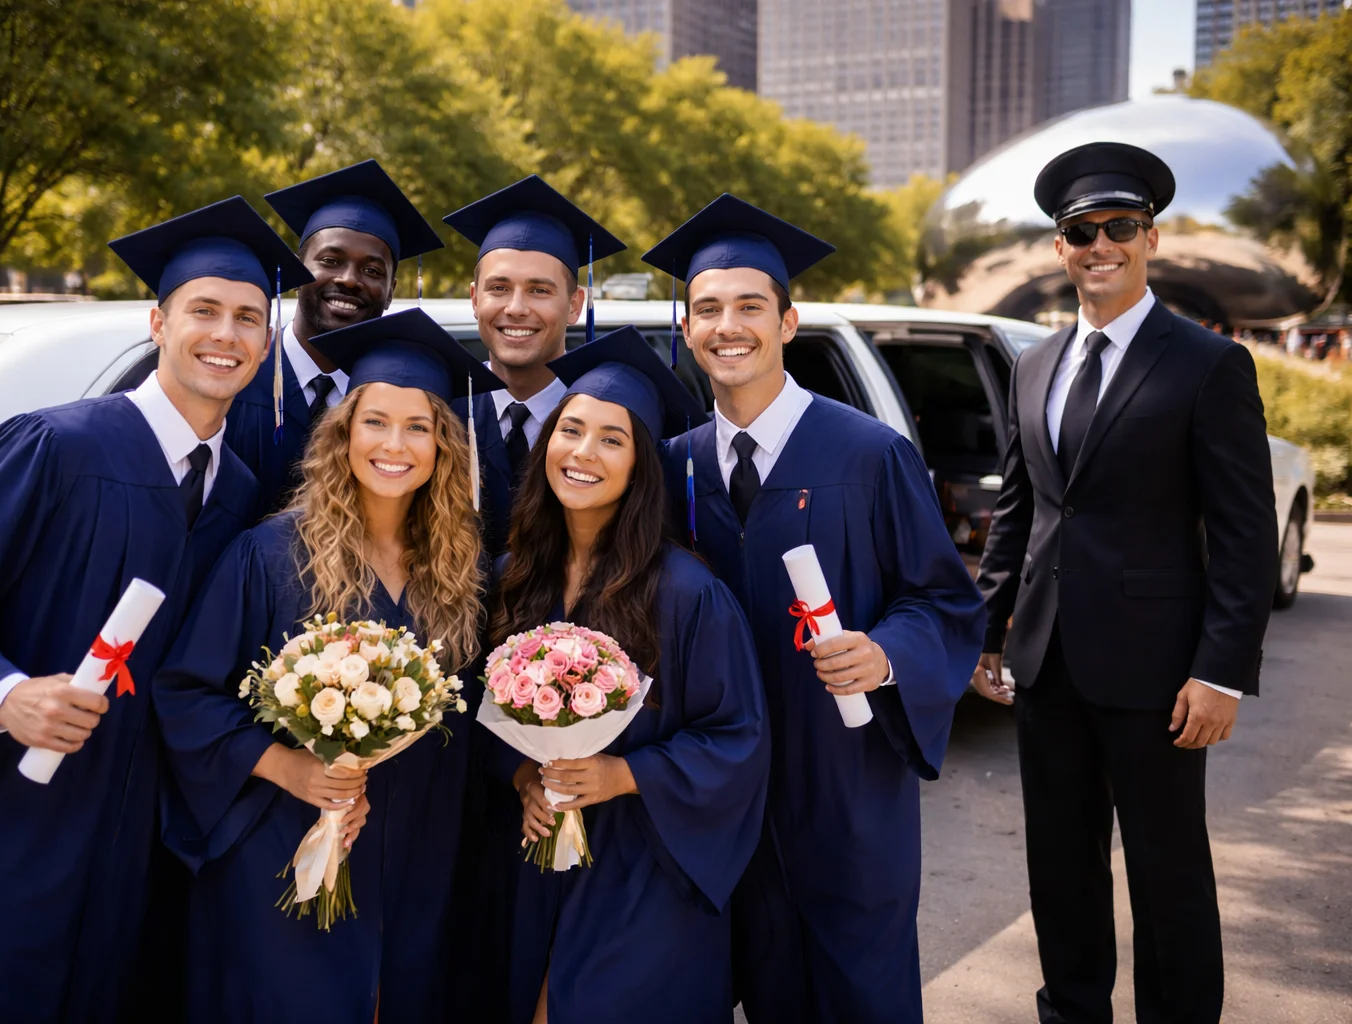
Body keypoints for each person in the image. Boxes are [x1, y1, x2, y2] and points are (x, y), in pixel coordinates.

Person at [0, 197, 309, 1022]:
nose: (227, 335)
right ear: (157, 322)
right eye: (203, 311)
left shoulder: (237, 489)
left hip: (136, 840)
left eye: (250, 318)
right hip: (13, 815)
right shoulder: (55, 447)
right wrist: (6, 696)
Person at [646, 195, 987, 1022]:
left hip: (845, 784)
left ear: (789, 322)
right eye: (709, 310)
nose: (729, 326)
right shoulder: (673, 467)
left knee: (858, 988)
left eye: (750, 307)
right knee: (751, 981)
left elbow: (943, 600)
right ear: (686, 330)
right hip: (726, 790)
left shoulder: (869, 455)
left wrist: (885, 653)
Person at [973, 142, 1279, 1024]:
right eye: (1081, 231)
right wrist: (991, 633)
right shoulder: (1035, 364)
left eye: (1119, 227)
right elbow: (1021, 515)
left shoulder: (1207, 364)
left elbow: (1245, 533)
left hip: (1161, 676)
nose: (1099, 244)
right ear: (1058, 248)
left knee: (1167, 871)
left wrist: (1222, 670)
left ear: (1151, 239)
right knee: (1060, 866)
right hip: (1049, 666)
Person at [153, 308, 500, 1023]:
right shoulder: (270, 555)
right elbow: (187, 693)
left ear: (445, 447)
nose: (394, 445)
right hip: (285, 841)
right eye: (375, 422)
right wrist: (293, 770)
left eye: (419, 427)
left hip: (423, 850)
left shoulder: (463, 570)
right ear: (343, 435)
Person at [488, 327, 770, 1024]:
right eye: (571, 430)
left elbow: (737, 737)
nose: (583, 453)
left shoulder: (686, 593)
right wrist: (525, 777)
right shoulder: (515, 578)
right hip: (538, 853)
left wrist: (622, 775)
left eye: (612, 439)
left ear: (643, 466)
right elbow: (481, 715)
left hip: (649, 863)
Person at [226, 159, 445, 514]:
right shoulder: (234, 380)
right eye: (330, 260)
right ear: (298, 268)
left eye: (372, 270)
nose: (349, 279)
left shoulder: (401, 406)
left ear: (391, 290)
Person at [443, 175, 625, 555]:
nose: (516, 308)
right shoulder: (439, 414)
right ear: (475, 299)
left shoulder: (614, 425)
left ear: (575, 304)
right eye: (499, 288)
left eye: (539, 290)